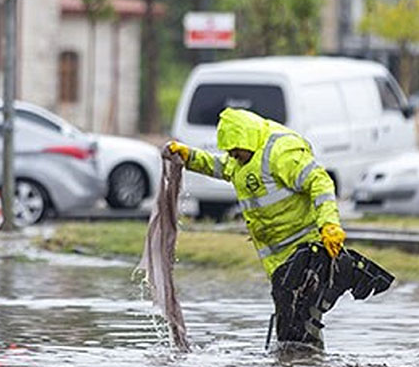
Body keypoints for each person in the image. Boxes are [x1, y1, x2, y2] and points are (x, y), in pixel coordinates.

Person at [165, 107, 393, 350]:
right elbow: (218, 166)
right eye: (229, 151)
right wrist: (189, 156)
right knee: (296, 320)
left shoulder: (280, 153)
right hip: (277, 259)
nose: (232, 155)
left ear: (246, 140)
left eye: (235, 150)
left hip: (306, 249)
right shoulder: (240, 160)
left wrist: (329, 225)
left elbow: (320, 181)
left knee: (295, 319)